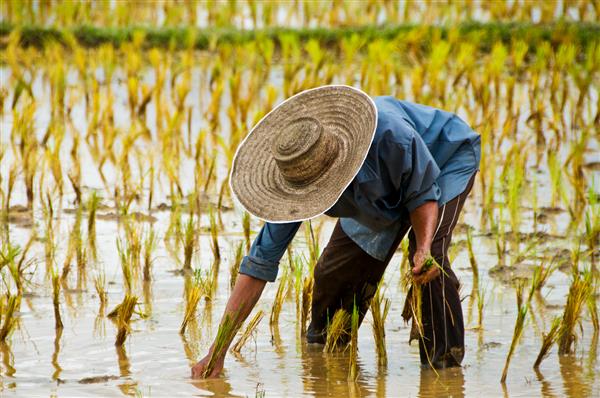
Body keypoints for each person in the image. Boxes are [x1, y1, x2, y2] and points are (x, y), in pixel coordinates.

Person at [191, 85, 481, 378]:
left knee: (430, 265)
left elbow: (423, 194)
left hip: (444, 161)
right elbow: (259, 266)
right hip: (376, 191)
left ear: (337, 172)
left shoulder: (392, 138)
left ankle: (443, 370)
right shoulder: (298, 178)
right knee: (334, 273)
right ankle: (327, 355)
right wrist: (218, 351)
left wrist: (422, 248)